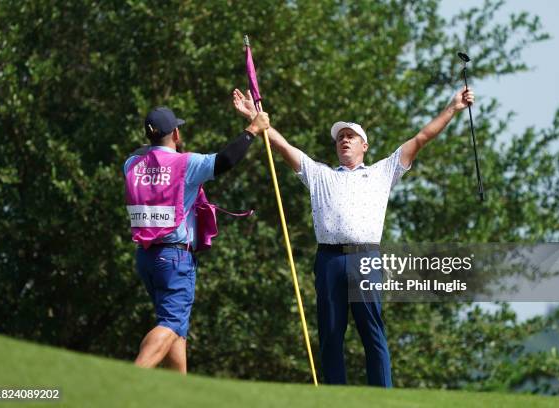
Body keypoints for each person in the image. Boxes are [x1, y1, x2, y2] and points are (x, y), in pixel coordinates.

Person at [232, 87, 474, 386]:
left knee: (372, 333)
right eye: (340, 137)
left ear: (365, 146)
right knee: (331, 333)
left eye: (351, 136)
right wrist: (256, 118)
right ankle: (336, 397)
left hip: (365, 257)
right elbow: (282, 145)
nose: (344, 140)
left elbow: (422, 138)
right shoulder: (320, 174)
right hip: (329, 259)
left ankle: (381, 398)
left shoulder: (382, 172)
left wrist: (453, 107)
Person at [124, 106, 269, 374]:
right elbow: (225, 160)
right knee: (170, 323)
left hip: (145, 257)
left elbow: (144, 153)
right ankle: (128, 382)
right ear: (176, 133)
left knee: (177, 329)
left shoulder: (132, 165)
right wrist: (253, 130)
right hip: (174, 258)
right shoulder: (184, 164)